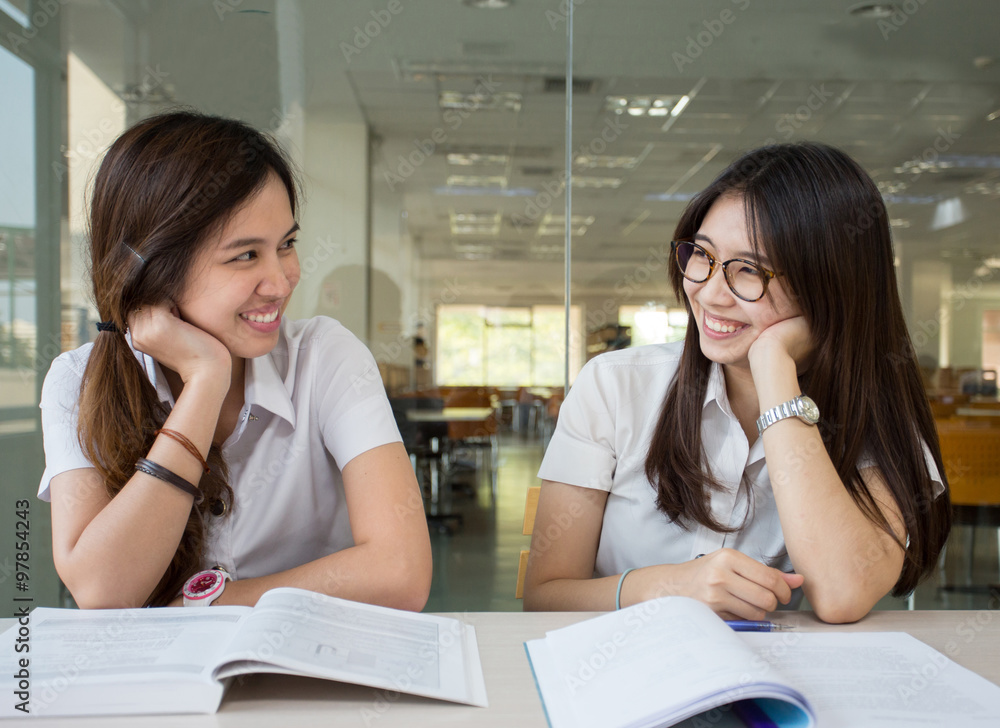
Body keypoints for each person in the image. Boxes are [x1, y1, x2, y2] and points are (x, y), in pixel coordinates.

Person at [523, 142, 951, 623]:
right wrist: (672, 587)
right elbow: (545, 595)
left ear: (829, 284)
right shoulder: (614, 387)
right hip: (622, 674)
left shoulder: (873, 414)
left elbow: (842, 593)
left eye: (749, 270)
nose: (708, 292)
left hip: (778, 681)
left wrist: (773, 365)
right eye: (701, 255)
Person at [39, 111, 432, 610]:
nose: (282, 280)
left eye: (286, 245)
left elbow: (401, 571)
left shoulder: (326, 357)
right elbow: (102, 591)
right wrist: (205, 381)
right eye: (245, 256)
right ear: (154, 270)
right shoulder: (77, 381)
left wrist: (206, 609)